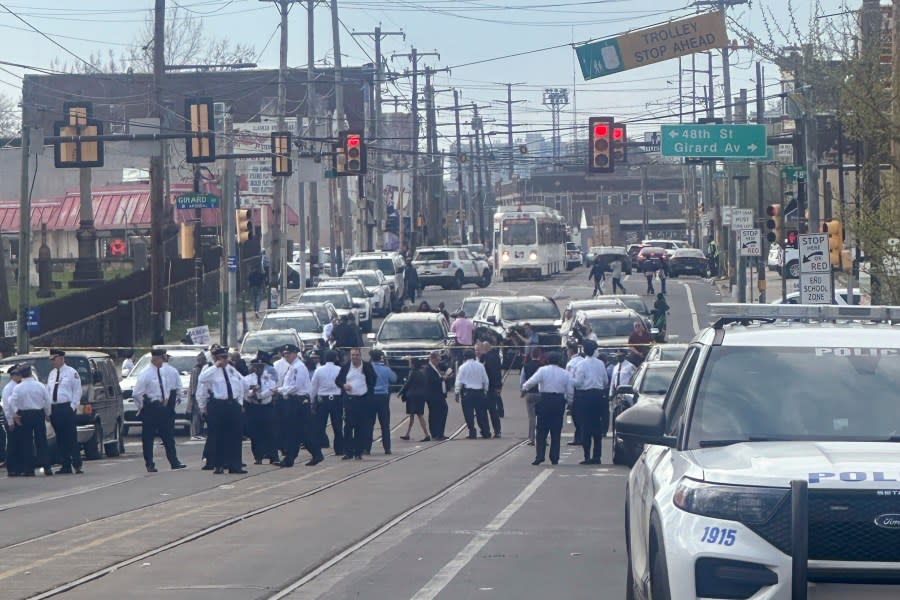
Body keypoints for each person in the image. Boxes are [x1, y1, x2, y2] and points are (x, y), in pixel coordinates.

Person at [133, 349, 186, 473]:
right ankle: (149, 463)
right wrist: (141, 406)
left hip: (163, 408)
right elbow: (137, 393)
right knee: (148, 438)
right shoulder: (145, 374)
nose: (164, 361)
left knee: (168, 436)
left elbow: (166, 387)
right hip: (151, 408)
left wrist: (166, 399)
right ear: (156, 359)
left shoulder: (161, 372)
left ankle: (174, 462)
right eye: (162, 358)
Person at [197, 347, 249, 474]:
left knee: (235, 436)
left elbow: (243, 384)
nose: (226, 360)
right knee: (219, 436)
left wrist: (240, 402)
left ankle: (235, 465)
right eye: (222, 358)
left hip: (233, 404)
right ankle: (218, 465)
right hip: (218, 404)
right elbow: (201, 379)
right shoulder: (210, 370)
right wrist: (216, 366)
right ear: (215, 358)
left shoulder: (231, 369)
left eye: (227, 357)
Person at [273, 344, 322, 467]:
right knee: (293, 431)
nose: (286, 356)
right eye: (285, 354)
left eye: (288, 354)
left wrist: (280, 390)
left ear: (295, 354)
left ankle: (315, 453)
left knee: (301, 430)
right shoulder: (292, 367)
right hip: (293, 401)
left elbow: (296, 387)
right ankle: (290, 458)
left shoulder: (298, 367)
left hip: (298, 401)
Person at [522, 351, 574, 466]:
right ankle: (554, 457)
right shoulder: (565, 373)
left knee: (541, 430)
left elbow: (531, 381)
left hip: (544, 400)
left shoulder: (542, 370)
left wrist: (524, 387)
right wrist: (570, 402)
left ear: (547, 360)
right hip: (558, 401)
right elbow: (570, 390)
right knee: (556, 431)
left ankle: (539, 456)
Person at [7, 365, 52, 477]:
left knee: (26, 442)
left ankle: (29, 469)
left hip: (25, 415)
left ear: (21, 374)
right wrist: (47, 413)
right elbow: (47, 400)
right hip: (38, 414)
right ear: (31, 373)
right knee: (41, 441)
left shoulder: (18, 387)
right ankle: (47, 467)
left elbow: (11, 402)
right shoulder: (40, 386)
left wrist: (15, 414)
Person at [335, 347, 378, 459]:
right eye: (353, 355)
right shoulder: (346, 367)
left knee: (361, 427)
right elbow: (338, 380)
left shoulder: (367, 366)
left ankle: (358, 452)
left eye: (357, 355)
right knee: (348, 426)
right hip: (350, 400)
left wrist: (368, 394)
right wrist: (343, 385)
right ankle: (348, 452)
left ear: (360, 356)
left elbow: (373, 380)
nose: (355, 357)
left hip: (363, 400)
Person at [46, 349, 83, 475]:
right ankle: (65, 464)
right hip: (54, 409)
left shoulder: (72, 373)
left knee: (71, 437)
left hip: (66, 408)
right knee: (60, 439)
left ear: (61, 358)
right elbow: (48, 391)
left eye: (54, 359)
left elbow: (77, 392)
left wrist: (72, 407)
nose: (52, 362)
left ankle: (77, 464)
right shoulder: (51, 374)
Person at [572, 340, 609, 464]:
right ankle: (597, 456)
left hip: (585, 396)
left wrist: (570, 379)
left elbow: (578, 383)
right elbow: (605, 381)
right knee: (597, 427)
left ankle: (587, 455)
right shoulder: (600, 364)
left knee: (585, 426)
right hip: (598, 395)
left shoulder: (581, 365)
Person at [244, 352, 279, 465]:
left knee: (270, 432)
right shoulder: (247, 379)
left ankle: (273, 456)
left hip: (266, 407)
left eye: (261, 366)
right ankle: (258, 456)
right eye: (257, 366)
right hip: (253, 407)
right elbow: (244, 393)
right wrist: (251, 392)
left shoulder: (269, 378)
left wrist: (259, 395)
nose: (259, 368)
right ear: (253, 367)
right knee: (255, 433)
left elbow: (271, 390)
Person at [310, 350, 344, 456]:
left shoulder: (319, 370)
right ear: (336, 358)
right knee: (337, 425)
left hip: (322, 400)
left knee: (320, 426)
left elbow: (313, 387)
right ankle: (339, 449)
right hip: (337, 400)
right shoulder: (340, 370)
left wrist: (312, 402)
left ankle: (319, 447)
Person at [454, 348, 490, 439]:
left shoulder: (462, 367)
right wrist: (485, 390)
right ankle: (485, 431)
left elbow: (459, 381)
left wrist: (457, 392)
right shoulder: (480, 366)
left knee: (468, 413)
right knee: (481, 413)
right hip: (479, 392)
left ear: (465, 357)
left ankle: (472, 432)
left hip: (468, 393)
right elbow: (486, 380)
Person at [368, 349, 397, 454]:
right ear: (381, 358)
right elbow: (394, 378)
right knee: (385, 424)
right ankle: (387, 448)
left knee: (369, 423)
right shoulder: (385, 369)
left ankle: (367, 448)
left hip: (371, 397)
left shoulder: (368, 368)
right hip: (383, 398)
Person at [422, 350, 452, 441]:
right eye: (437, 360)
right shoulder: (428, 369)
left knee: (441, 412)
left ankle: (439, 433)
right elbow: (432, 381)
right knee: (436, 414)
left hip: (440, 395)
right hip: (433, 396)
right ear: (432, 359)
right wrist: (444, 377)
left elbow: (446, 368)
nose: (438, 362)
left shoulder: (436, 367)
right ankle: (436, 433)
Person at [2, 365, 25, 476]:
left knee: (19, 444)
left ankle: (19, 467)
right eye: (17, 374)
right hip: (12, 419)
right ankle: (12, 468)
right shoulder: (9, 388)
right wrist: (11, 421)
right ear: (12, 376)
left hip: (18, 418)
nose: (19, 376)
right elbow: (7, 406)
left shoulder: (18, 386)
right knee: (12, 445)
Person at [399, 357, 430, 441]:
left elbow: (407, 384)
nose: (409, 364)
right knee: (415, 415)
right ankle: (407, 434)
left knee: (417, 415)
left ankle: (427, 435)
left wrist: (400, 392)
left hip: (413, 396)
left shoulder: (412, 373)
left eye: (410, 362)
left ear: (413, 364)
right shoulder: (423, 372)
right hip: (421, 396)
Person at [477, 341, 503, 435]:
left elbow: (493, 373)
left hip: (487, 387)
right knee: (493, 410)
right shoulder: (495, 356)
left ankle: (486, 430)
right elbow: (498, 373)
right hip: (492, 387)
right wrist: (498, 385)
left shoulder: (487, 358)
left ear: (485, 348)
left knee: (485, 410)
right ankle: (497, 431)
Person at [519, 349, 543, 446]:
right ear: (540, 355)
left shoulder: (526, 366)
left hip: (530, 394)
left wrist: (522, 391)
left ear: (531, 355)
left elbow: (522, 380)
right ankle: (542, 438)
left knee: (532, 418)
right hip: (541, 394)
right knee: (541, 417)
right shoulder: (543, 367)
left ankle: (531, 438)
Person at [564, 342, 584, 446]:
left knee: (576, 417)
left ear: (571, 351)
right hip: (584, 392)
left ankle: (579, 437)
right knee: (582, 416)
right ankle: (580, 436)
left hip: (576, 393)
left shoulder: (571, 364)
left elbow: (569, 382)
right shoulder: (583, 361)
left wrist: (569, 398)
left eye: (567, 350)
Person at [189, 352, 210, 439]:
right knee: (196, 416)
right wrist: (194, 394)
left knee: (201, 415)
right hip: (196, 396)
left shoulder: (203, 369)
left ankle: (200, 432)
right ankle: (195, 433)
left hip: (201, 394)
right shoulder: (196, 370)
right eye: (203, 359)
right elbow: (194, 384)